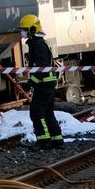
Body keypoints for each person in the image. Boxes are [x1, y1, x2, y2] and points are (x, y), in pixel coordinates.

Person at [19, 14, 64, 150]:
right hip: (46, 84)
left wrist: (30, 83)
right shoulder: (37, 44)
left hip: (44, 84)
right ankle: (57, 140)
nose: (23, 32)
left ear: (32, 30)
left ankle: (44, 141)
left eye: (25, 29)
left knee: (37, 112)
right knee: (48, 112)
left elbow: (42, 69)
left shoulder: (37, 45)